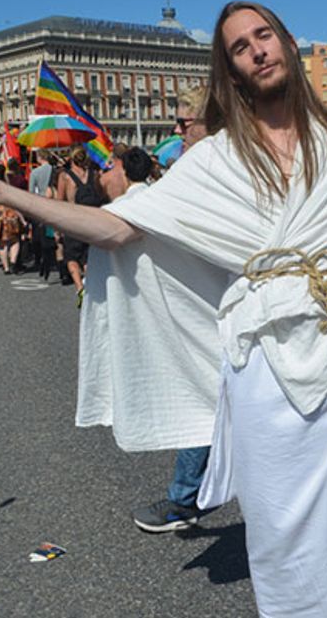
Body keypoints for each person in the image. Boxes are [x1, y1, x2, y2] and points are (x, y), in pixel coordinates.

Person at [0, 1, 327, 618]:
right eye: (240, 47)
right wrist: (1, 190)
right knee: (277, 522)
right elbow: (116, 228)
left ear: (288, 44)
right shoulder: (215, 161)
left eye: (264, 35)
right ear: (231, 72)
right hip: (262, 370)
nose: (257, 50)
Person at [126, 86, 215, 534]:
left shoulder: (213, 167)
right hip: (204, 301)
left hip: (222, 306)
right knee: (217, 400)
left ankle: (185, 499)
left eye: (185, 122)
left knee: (210, 400)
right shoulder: (191, 166)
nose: (177, 129)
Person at [55, 146, 105, 306]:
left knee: (71, 257)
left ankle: (80, 288)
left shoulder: (65, 176)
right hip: (91, 220)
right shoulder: (94, 174)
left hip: (73, 221)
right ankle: (90, 285)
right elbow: (100, 195)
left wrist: (58, 228)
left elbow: (60, 201)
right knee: (87, 256)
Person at [0, 165, 25, 275]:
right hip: (10, 215)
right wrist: (22, 219)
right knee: (14, 240)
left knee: (2, 244)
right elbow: (14, 204)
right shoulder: (7, 187)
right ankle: (13, 262)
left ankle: (6, 267)